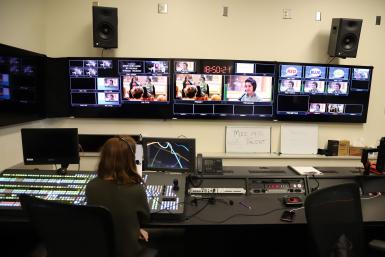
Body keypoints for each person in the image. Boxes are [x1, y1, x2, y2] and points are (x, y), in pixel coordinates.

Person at [86, 136, 151, 257]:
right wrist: (135, 230)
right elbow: (145, 218)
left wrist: (133, 229)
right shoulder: (136, 190)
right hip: (128, 252)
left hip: (99, 250)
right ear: (129, 160)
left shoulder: (91, 187)